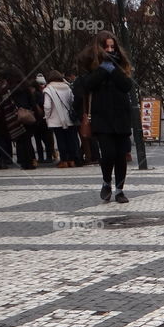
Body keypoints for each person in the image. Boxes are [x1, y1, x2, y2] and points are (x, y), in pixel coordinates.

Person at [79, 30, 134, 201]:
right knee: (108, 153)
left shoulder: (121, 65)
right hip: (102, 117)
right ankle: (106, 182)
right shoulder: (90, 66)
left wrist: (114, 69)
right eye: (106, 46)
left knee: (121, 155)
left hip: (121, 116)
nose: (110, 50)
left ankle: (119, 189)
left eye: (112, 46)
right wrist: (103, 69)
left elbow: (127, 86)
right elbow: (87, 86)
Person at [42, 70, 79, 168]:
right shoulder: (67, 87)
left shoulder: (48, 89)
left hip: (56, 118)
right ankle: (72, 160)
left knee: (60, 139)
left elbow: (47, 106)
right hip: (69, 118)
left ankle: (64, 160)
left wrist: (47, 116)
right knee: (70, 139)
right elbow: (72, 101)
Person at [4, 69, 36, 170]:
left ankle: (23, 162)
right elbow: (32, 102)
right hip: (27, 115)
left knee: (20, 140)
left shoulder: (8, 90)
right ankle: (31, 161)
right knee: (27, 140)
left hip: (15, 117)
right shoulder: (26, 88)